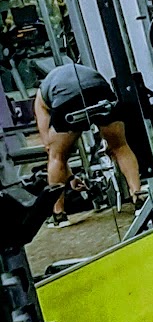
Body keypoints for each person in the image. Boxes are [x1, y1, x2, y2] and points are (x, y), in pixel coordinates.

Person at [32, 60, 142, 223]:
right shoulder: (67, 75)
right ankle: (137, 197)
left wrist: (66, 172)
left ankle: (59, 215)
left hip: (67, 99)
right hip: (99, 90)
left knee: (56, 157)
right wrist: (70, 178)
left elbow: (50, 147)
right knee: (120, 146)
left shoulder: (40, 100)